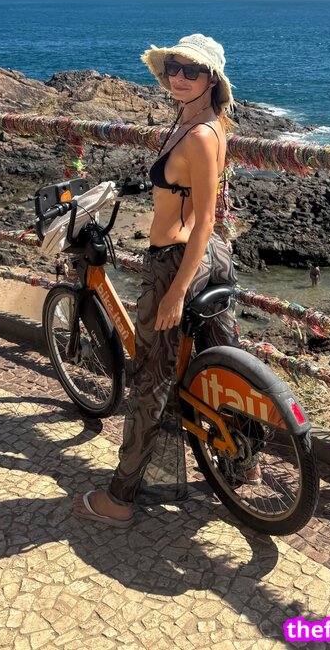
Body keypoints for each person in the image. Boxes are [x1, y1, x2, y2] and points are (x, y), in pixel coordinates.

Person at [73, 33, 244, 527]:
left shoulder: (200, 134)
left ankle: (121, 497)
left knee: (151, 377)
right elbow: (184, 191)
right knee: (220, 367)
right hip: (207, 257)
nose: (179, 77)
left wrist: (175, 292)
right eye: (173, 68)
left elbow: (205, 217)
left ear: (212, 80)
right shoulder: (192, 121)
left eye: (192, 71)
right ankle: (244, 462)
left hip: (178, 262)